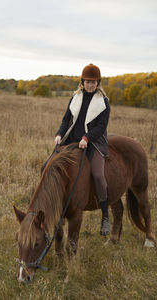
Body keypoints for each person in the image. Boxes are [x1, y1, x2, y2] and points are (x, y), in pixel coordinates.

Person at [55, 63, 110, 236]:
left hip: (93, 142)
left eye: (93, 82)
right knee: (47, 166)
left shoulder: (103, 103)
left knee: (98, 175)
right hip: (72, 140)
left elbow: (101, 127)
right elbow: (66, 120)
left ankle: (105, 215)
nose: (90, 85)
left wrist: (87, 138)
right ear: (82, 81)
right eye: (87, 81)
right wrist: (59, 134)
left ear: (98, 83)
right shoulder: (75, 97)